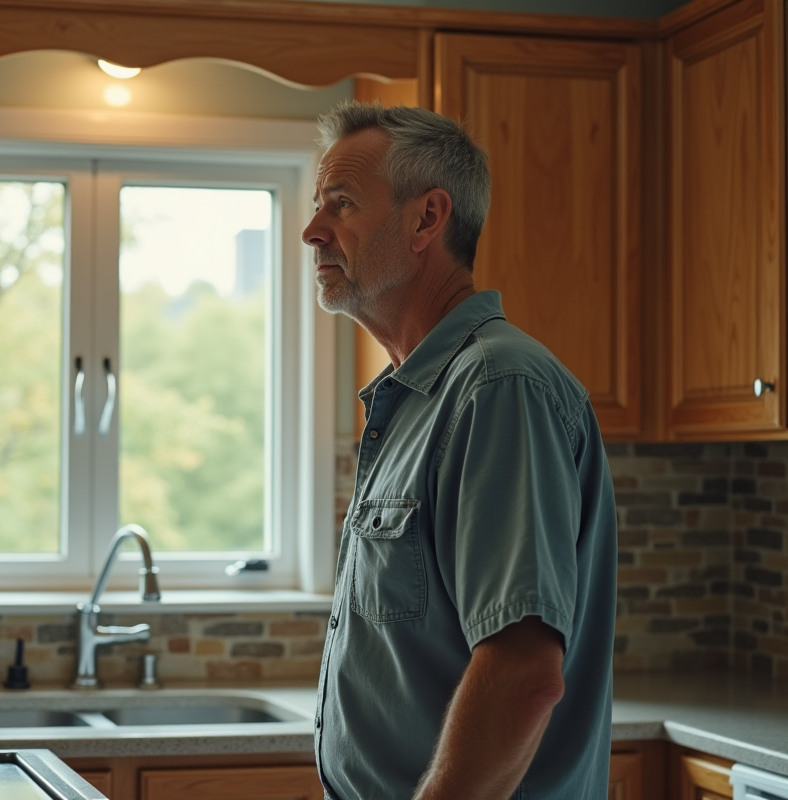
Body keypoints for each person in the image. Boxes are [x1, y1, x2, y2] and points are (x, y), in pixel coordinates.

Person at [305, 100, 616, 800]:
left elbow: (524, 674)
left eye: (342, 205)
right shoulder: (418, 396)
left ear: (427, 218)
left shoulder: (499, 389)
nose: (312, 230)